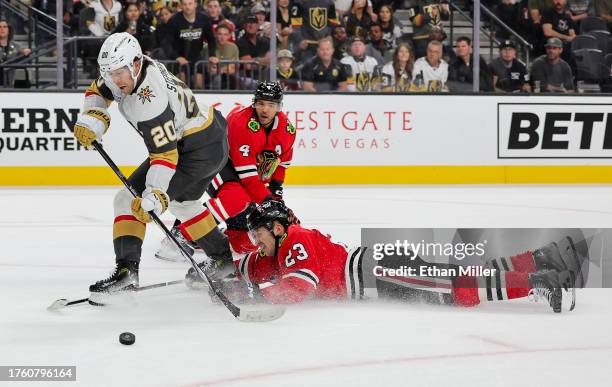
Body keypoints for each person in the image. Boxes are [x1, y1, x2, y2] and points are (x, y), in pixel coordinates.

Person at [73, 33, 232, 303]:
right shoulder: (126, 69)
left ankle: (129, 272)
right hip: (200, 136)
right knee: (180, 203)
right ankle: (222, 258)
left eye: (119, 73)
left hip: (199, 147)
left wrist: (156, 193)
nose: (115, 81)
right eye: (109, 73)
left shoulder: (150, 101)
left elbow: (165, 154)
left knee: (144, 201)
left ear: (135, 64)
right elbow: (98, 89)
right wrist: (94, 115)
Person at [236, 200, 577, 314]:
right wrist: (225, 277)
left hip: (378, 272)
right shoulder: (280, 247)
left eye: (258, 233)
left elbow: (298, 287)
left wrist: (258, 296)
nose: (255, 241)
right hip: (377, 272)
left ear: (277, 228)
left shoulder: (295, 239)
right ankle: (539, 259)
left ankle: (535, 282)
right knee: (456, 280)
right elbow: (254, 265)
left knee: (459, 288)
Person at [156, 82, 296, 270]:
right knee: (236, 198)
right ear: (254, 103)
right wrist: (270, 202)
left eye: (271, 105)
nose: (265, 109)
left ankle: (207, 234)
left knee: (244, 243)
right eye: (261, 103)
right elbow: (247, 179)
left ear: (279, 107)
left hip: (244, 176)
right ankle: (179, 236)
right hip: (217, 161)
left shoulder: (287, 129)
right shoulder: (242, 123)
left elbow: (281, 165)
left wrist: (276, 197)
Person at [165, 0, 218, 89]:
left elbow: (211, 39)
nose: (187, 7)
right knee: (181, 85)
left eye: (190, 4)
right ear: (181, 5)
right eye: (185, 4)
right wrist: (176, 57)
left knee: (199, 84)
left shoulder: (204, 19)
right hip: (179, 58)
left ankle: (198, 102)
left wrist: (212, 54)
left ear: (195, 5)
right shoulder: (174, 20)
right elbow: (166, 43)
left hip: (196, 57)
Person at [0, 19, 31, 87]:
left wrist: (26, 53)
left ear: (9, 30)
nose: (2, 29)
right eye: (0, 27)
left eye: (5, 27)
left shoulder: (17, 46)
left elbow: (24, 60)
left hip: (10, 83)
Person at [209, 22, 239, 89]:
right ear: (215, 34)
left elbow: (233, 68)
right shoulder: (208, 48)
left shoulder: (234, 47)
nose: (222, 37)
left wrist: (220, 70)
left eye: (225, 34)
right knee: (218, 78)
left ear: (229, 35)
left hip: (230, 78)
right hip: (211, 78)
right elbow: (211, 70)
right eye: (220, 34)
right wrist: (226, 68)